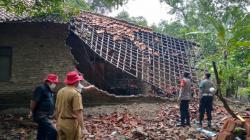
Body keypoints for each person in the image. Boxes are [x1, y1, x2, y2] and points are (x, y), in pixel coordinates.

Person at [55, 71, 95, 140]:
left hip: (60, 122)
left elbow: (57, 108)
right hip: (71, 124)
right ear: (76, 81)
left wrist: (57, 122)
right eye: (78, 80)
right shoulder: (76, 94)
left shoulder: (60, 91)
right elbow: (78, 112)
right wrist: (83, 128)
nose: (79, 82)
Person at [29, 73, 59, 140]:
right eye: (54, 83)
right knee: (53, 131)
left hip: (47, 116)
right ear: (49, 81)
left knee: (42, 132)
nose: (55, 84)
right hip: (41, 116)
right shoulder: (41, 88)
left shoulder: (50, 90)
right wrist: (31, 111)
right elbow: (34, 101)